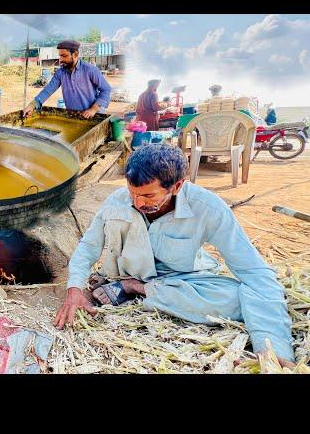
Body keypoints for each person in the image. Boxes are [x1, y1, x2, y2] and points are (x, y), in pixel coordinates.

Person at [54, 143, 295, 367]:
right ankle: (129, 285)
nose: (137, 203)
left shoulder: (208, 208)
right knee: (246, 302)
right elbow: (89, 247)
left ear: (177, 186)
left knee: (239, 299)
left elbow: (254, 271)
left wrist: (272, 347)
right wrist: (74, 289)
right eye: (132, 193)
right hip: (129, 274)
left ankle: (134, 289)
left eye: (149, 196)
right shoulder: (116, 201)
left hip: (182, 281)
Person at [23, 40, 111, 119]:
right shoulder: (60, 73)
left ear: (75, 54)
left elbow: (106, 89)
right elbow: (47, 91)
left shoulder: (90, 70)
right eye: (60, 56)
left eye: (64, 56)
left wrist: (93, 109)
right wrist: (32, 105)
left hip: (94, 117)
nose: (60, 60)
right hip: (73, 117)